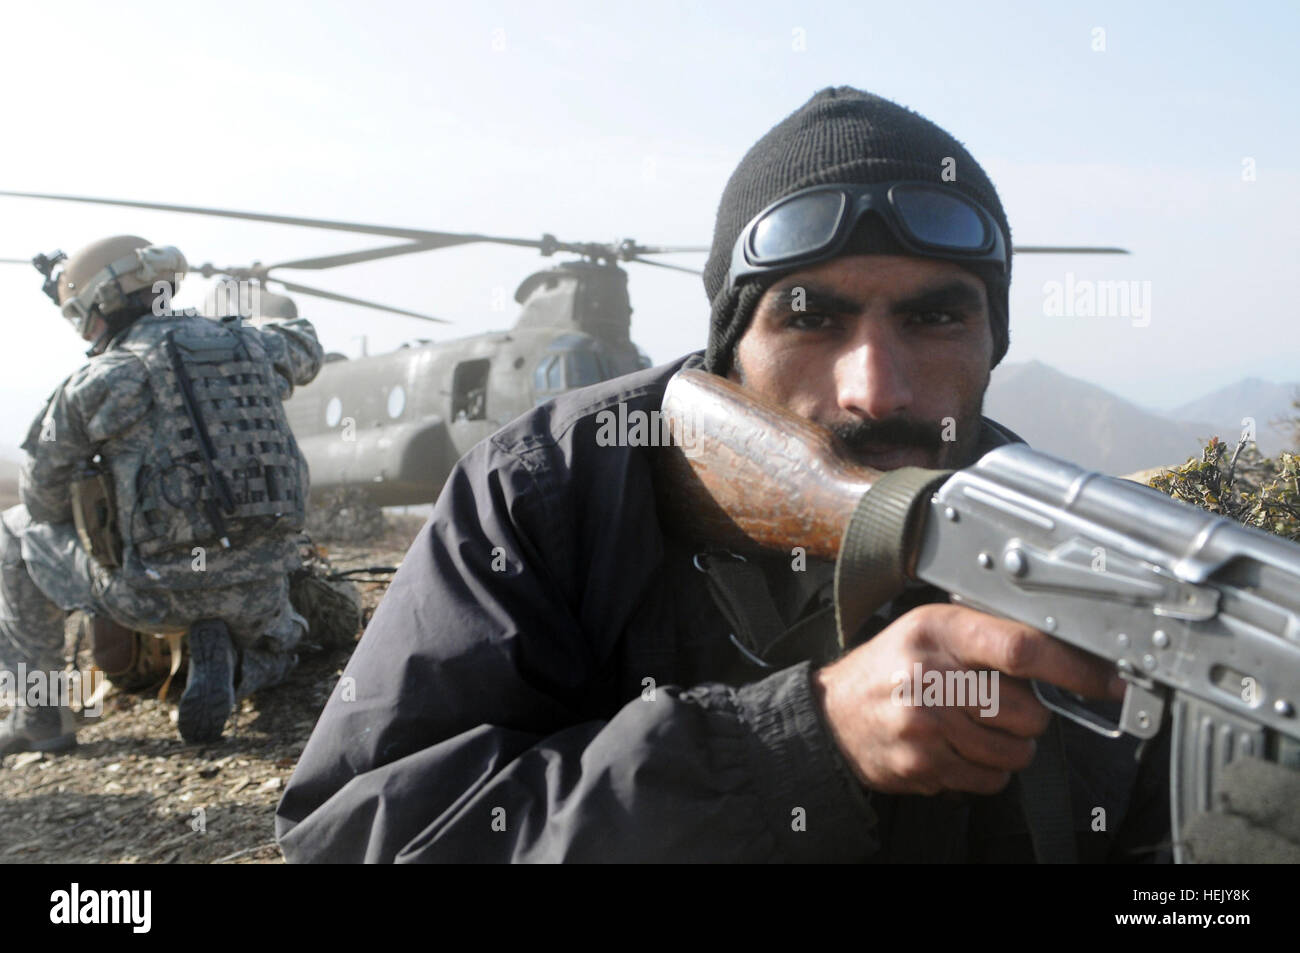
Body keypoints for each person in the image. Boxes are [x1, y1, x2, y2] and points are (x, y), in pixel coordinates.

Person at [275, 87, 1172, 862]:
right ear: (729, 349)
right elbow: (357, 833)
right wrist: (804, 743)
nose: (877, 388)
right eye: (811, 317)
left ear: (992, 345)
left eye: (936, 317)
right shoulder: (544, 497)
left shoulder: (1068, 556)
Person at [0, 235, 323, 752]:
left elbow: (43, 501)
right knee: (276, 627)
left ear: (102, 306)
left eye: (81, 316)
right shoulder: (256, 348)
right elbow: (306, 343)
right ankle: (247, 663)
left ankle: (39, 714)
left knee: (13, 532)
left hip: (149, 596)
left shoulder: (97, 382)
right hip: (262, 591)